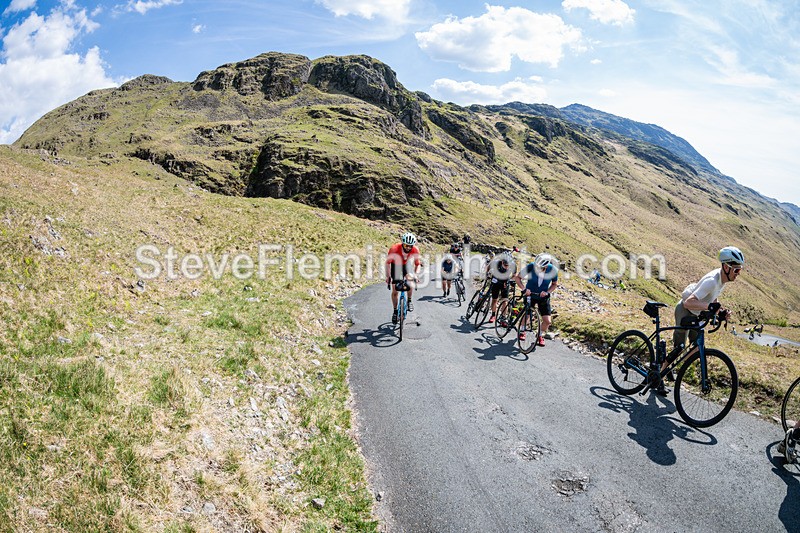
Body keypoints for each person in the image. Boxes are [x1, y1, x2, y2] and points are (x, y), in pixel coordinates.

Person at [665, 246, 744, 396]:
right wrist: (710, 306)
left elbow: (711, 298)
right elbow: (689, 302)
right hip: (685, 310)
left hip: (696, 314)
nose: (738, 274)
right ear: (726, 267)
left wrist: (720, 312)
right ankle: (659, 374)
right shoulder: (712, 281)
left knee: (696, 348)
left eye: (740, 270)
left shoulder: (722, 280)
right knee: (680, 347)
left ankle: (672, 368)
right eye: (736, 270)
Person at [513, 253, 559, 346]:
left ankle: (540, 335)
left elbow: (554, 284)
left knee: (547, 321)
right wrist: (524, 289)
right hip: (530, 294)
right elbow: (518, 278)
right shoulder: (531, 266)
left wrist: (547, 292)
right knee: (527, 315)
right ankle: (522, 330)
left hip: (543, 297)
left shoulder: (552, 270)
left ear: (546, 266)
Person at [385, 232, 422, 324]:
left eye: (410, 246)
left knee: (410, 281)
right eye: (406, 245)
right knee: (395, 290)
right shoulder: (394, 249)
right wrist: (388, 276)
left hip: (406, 264)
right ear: (402, 244)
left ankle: (409, 300)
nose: (408, 248)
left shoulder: (415, 250)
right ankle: (395, 311)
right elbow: (387, 263)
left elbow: (418, 264)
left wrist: (416, 275)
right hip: (396, 265)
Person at [485, 252, 516, 323]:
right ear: (502, 261)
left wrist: (511, 280)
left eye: (508, 265)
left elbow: (514, 275)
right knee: (494, 299)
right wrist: (487, 274)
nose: (506, 267)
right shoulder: (496, 262)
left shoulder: (513, 265)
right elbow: (488, 267)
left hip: (505, 283)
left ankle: (503, 317)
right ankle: (493, 315)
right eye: (505, 265)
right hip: (495, 281)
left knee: (505, 300)